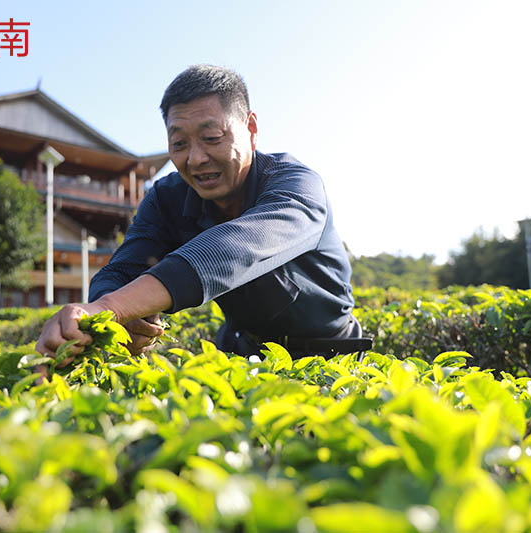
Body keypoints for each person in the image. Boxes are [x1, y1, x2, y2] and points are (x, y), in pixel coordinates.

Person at [35, 64, 360, 367]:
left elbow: (235, 247)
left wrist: (110, 308)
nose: (196, 158)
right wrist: (107, 313)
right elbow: (123, 267)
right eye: (179, 143)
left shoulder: (296, 185)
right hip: (243, 356)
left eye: (212, 138)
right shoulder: (166, 197)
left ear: (251, 128)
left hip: (329, 357)